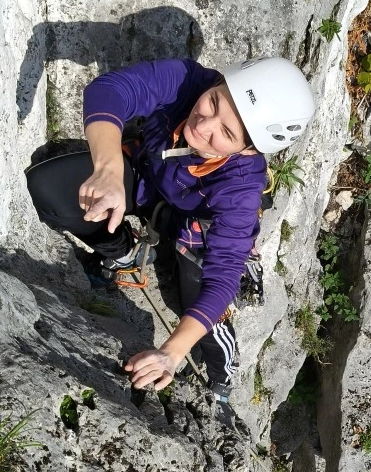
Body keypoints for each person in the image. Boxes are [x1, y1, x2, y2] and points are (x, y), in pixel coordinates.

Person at [27, 56, 315, 411]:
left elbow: (223, 278)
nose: (204, 123)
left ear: (250, 149)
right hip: (149, 178)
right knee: (51, 189)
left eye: (226, 133)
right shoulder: (186, 81)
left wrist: (171, 352)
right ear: (216, 82)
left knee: (200, 303)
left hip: (197, 231)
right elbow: (110, 89)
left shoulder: (241, 187)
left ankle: (221, 373)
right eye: (214, 101)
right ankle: (121, 253)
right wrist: (109, 169)